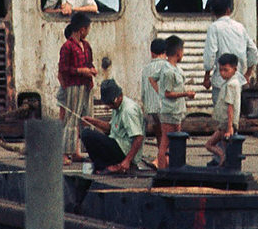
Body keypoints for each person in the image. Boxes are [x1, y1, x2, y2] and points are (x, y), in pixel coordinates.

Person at [79, 79, 146, 174]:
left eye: (111, 104)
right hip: (116, 143)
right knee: (87, 134)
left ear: (118, 97)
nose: (110, 107)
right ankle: (105, 165)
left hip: (125, 151)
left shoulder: (128, 110)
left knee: (87, 134)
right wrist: (93, 121)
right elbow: (110, 128)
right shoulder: (117, 106)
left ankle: (110, 166)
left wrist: (127, 161)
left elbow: (138, 137)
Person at [202, 0, 257, 104]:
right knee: (234, 113)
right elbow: (253, 51)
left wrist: (207, 77)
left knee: (221, 115)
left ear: (212, 12)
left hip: (220, 80)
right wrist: (247, 74)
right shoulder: (240, 27)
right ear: (228, 10)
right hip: (238, 80)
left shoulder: (214, 28)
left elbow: (210, 55)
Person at [57, 13, 96, 164]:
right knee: (72, 118)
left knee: (87, 118)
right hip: (73, 86)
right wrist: (81, 71)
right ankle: (65, 152)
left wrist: (92, 69)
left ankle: (83, 151)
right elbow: (64, 68)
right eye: (87, 28)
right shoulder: (67, 47)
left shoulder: (86, 45)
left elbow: (89, 62)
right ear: (81, 29)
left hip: (86, 85)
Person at [156, 36, 195, 169]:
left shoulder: (177, 69)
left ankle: (173, 168)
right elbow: (168, 93)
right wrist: (185, 94)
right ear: (178, 51)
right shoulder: (168, 71)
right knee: (165, 143)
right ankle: (162, 172)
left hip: (177, 112)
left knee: (176, 143)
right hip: (169, 112)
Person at [205, 53, 241, 167]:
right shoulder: (229, 83)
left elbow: (230, 107)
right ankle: (224, 161)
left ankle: (223, 158)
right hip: (224, 124)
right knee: (225, 147)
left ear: (234, 69)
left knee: (210, 144)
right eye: (220, 70)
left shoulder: (231, 84)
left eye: (226, 70)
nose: (222, 73)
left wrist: (229, 127)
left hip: (226, 124)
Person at [140, 36, 169, 165]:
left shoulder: (146, 69)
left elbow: (143, 91)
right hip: (165, 106)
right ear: (166, 52)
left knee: (159, 133)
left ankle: (161, 157)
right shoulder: (167, 66)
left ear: (152, 53)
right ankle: (163, 158)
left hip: (151, 107)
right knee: (167, 134)